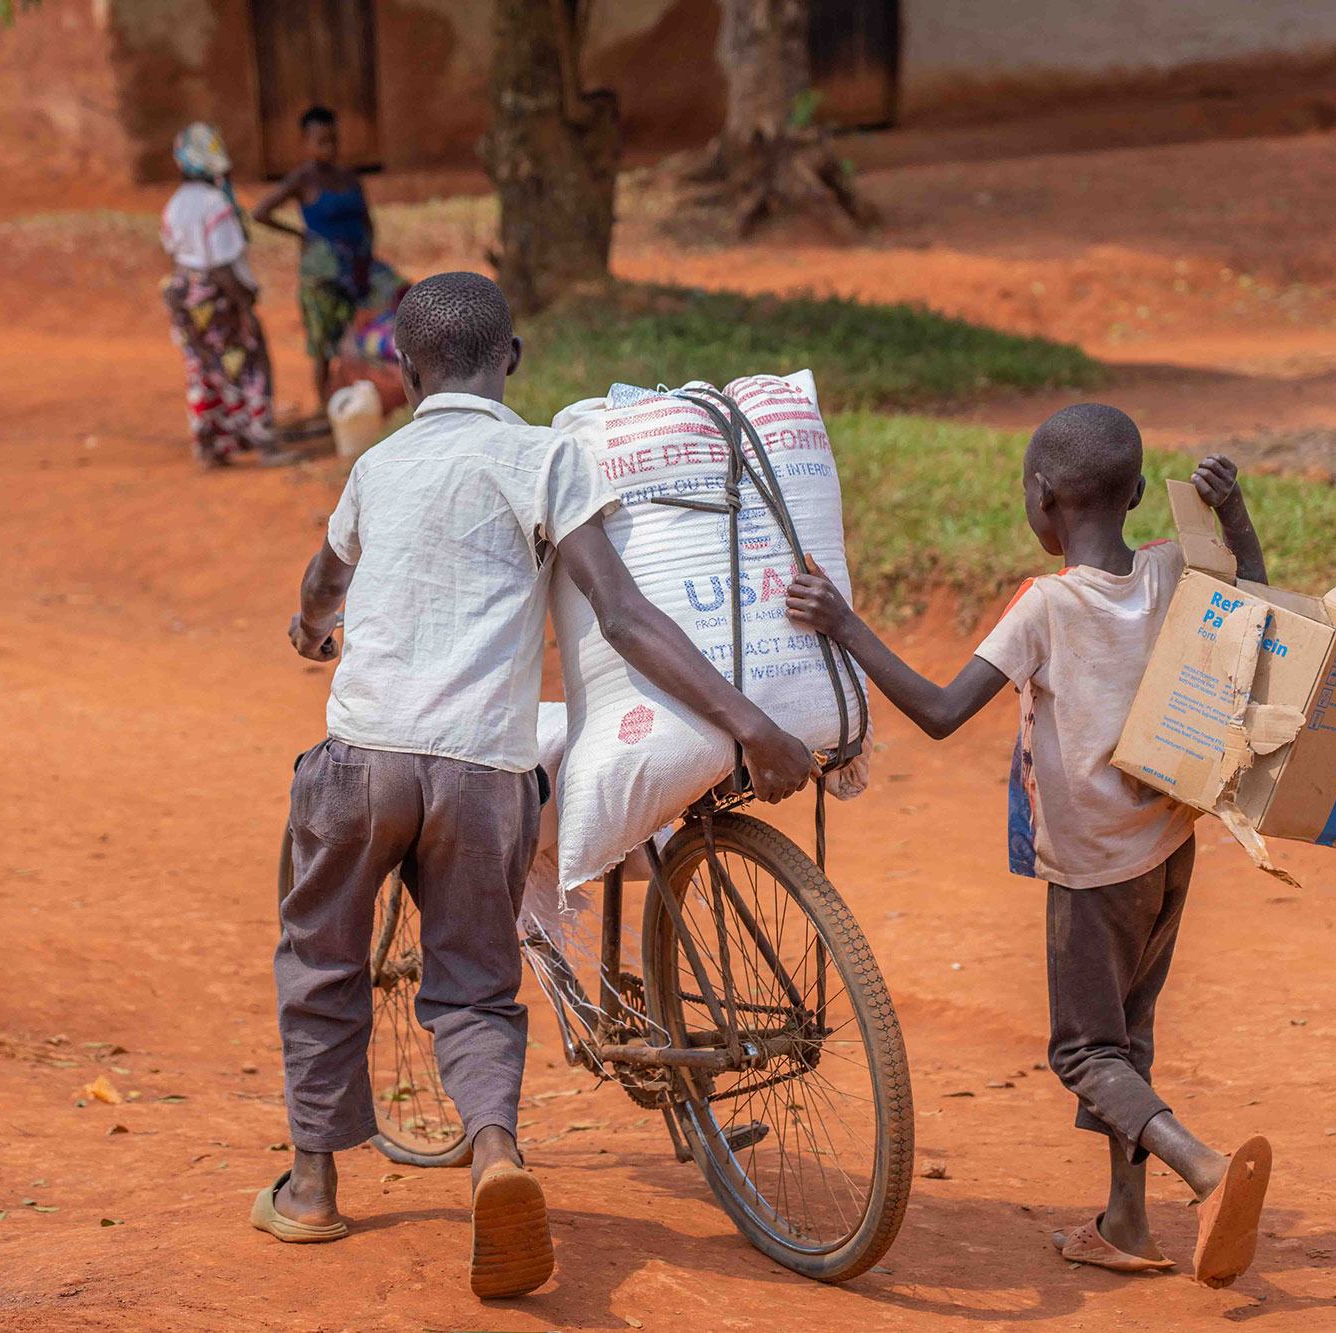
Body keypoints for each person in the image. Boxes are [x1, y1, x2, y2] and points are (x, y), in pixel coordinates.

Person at [251, 271, 814, 1299]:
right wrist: (748, 720)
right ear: (509, 359)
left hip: (362, 762)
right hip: (479, 774)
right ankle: (498, 1158)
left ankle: (310, 1186)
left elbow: (321, 581)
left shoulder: (374, 467)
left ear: (400, 368)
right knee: (472, 977)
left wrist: (308, 629)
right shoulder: (543, 457)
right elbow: (629, 618)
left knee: (319, 958)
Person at [783, 404, 1276, 1289]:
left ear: (1042, 498)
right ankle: (1125, 1223)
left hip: (1092, 870)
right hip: (1168, 845)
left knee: (1086, 1054)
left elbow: (938, 713)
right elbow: (1257, 604)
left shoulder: (1045, 605)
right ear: (1132, 495)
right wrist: (1235, 518)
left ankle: (1200, 1167)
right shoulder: (1169, 571)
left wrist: (844, 624)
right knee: (1129, 1034)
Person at [249, 105, 406, 410]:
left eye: (333, 140)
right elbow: (260, 212)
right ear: (305, 144)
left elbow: (366, 220)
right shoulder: (302, 179)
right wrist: (299, 235)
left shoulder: (349, 178)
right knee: (322, 344)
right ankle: (326, 408)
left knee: (394, 301)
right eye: (321, 141)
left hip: (359, 267)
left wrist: (366, 254)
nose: (329, 148)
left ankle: (372, 391)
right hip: (322, 274)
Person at [158, 122, 291, 468]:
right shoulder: (216, 204)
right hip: (219, 296)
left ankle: (210, 443)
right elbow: (221, 265)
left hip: (186, 294)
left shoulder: (174, 205)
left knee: (202, 365)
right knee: (250, 361)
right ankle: (263, 441)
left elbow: (177, 257)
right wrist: (244, 305)